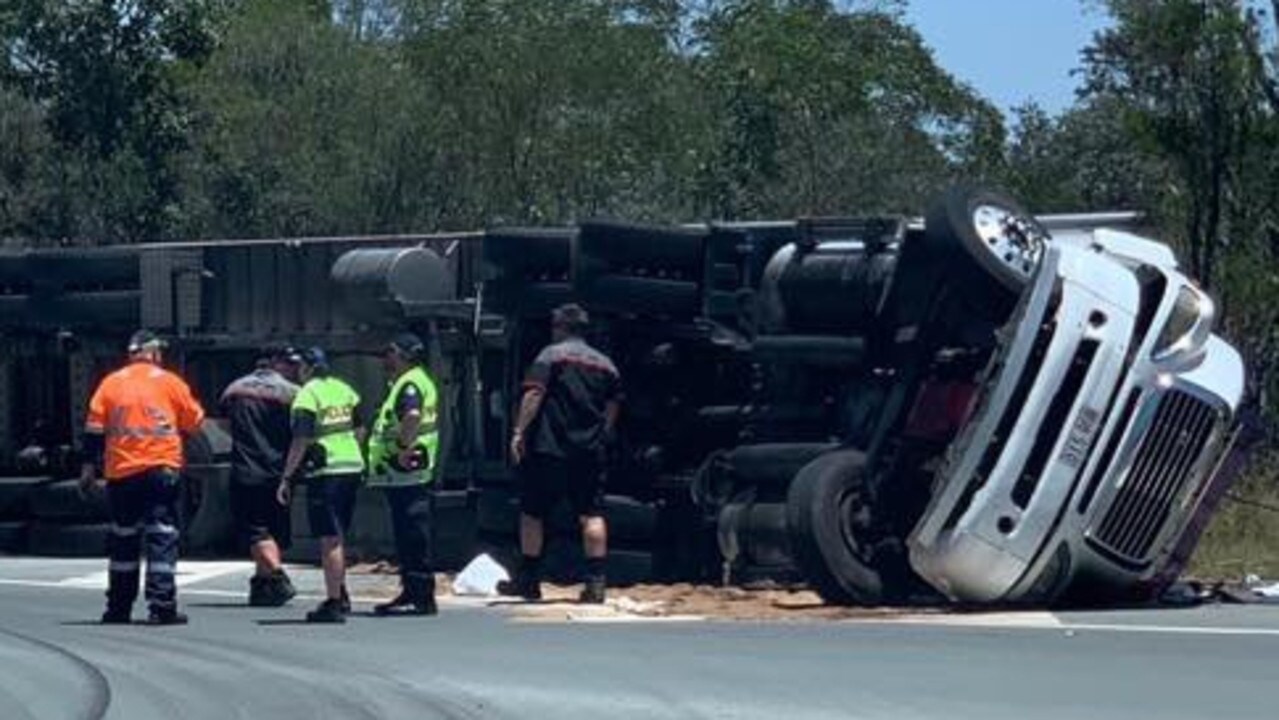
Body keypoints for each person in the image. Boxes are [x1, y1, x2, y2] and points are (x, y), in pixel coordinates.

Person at [80, 330, 205, 625]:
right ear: (155, 354)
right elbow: (194, 421)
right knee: (162, 536)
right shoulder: (171, 383)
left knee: (124, 538)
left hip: (122, 472)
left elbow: (93, 430)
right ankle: (161, 606)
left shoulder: (110, 384)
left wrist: (88, 469)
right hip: (161, 469)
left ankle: (118, 608)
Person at [498, 304, 621, 604]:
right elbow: (613, 404)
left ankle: (529, 579)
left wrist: (519, 432)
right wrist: (602, 433)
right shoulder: (607, 365)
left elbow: (534, 393)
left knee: (532, 512)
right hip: (589, 451)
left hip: (549, 448)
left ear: (560, 327)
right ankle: (596, 583)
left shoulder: (550, 356)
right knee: (591, 514)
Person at [277, 347, 365, 624]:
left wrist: (287, 476)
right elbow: (361, 428)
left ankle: (334, 602)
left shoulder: (308, 394)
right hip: (352, 465)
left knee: (329, 538)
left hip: (326, 471)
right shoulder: (344, 389)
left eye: (298, 365)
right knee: (338, 535)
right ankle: (341, 592)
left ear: (307, 367)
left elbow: (300, 439)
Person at [366, 332, 441, 616]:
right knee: (408, 533)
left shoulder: (410, 384)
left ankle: (420, 594)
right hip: (406, 470)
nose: (386, 357)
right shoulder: (413, 381)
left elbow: (411, 416)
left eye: (391, 352)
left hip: (406, 469)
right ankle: (412, 590)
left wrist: (400, 445)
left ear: (405, 356)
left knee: (412, 533)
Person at [220, 347, 302, 607]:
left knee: (255, 530)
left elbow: (223, 424)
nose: (294, 369)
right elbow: (301, 430)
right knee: (272, 530)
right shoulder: (293, 393)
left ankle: (273, 578)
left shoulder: (234, 389)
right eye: (290, 364)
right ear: (277, 364)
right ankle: (266, 583)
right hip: (280, 471)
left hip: (246, 469)